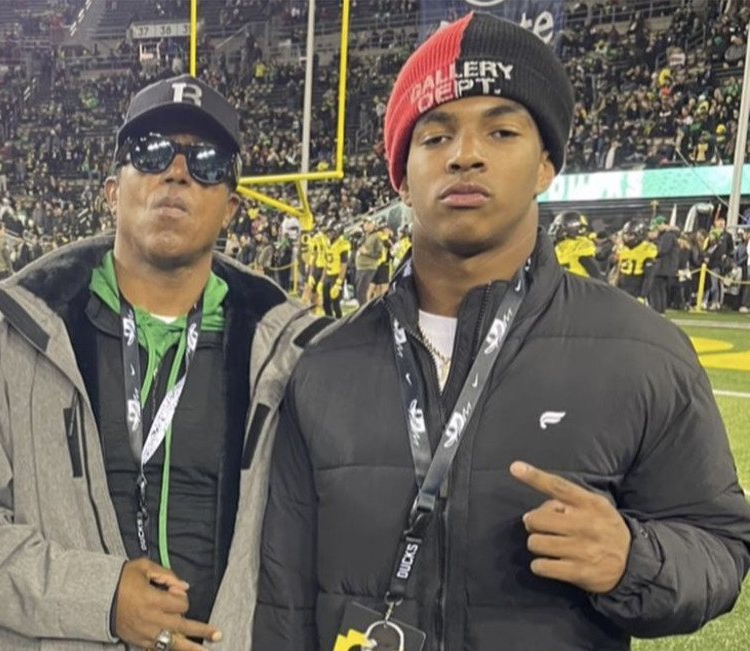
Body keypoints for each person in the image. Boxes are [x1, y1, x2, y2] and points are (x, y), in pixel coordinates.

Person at [254, 13, 750, 651]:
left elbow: (719, 544)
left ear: (546, 164)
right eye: (435, 137)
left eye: (502, 129)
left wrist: (635, 558)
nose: (465, 154)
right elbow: (283, 598)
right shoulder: (324, 365)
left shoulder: (643, 350)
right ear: (401, 177)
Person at [0, 73, 326, 651]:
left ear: (230, 206)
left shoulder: (290, 355)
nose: (177, 172)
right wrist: (99, 599)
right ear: (112, 190)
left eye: (206, 162)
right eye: (151, 152)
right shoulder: (11, 338)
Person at [550, 210, 602, 279]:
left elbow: (597, 277)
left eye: (558, 227)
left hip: (576, 288)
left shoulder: (580, 250)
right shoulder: (558, 248)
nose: (555, 231)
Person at [616, 220, 656, 301]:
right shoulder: (623, 249)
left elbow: (649, 276)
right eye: (626, 234)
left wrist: (643, 295)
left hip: (637, 286)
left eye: (630, 235)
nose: (627, 238)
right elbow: (619, 272)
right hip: (623, 285)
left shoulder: (646, 249)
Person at [646, 216, 679, 314]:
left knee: (656, 289)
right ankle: (660, 311)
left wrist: (651, 249)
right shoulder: (669, 235)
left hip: (663, 268)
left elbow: (661, 250)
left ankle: (657, 310)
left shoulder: (667, 236)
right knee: (660, 289)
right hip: (665, 268)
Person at [319, 221, 350, 319]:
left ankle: (338, 322)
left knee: (335, 303)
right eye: (329, 232)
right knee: (325, 304)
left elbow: (343, 265)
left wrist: (338, 282)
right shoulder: (328, 243)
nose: (329, 234)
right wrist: (322, 280)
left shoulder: (342, 245)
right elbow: (326, 263)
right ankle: (329, 322)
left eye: (332, 232)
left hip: (336, 276)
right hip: (328, 275)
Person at [353, 217, 384, 305]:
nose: (365, 225)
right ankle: (361, 310)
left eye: (368, 223)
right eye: (364, 223)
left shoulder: (377, 236)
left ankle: (364, 312)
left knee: (362, 291)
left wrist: (366, 252)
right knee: (359, 291)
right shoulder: (365, 236)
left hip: (368, 267)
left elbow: (379, 254)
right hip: (360, 267)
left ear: (373, 224)